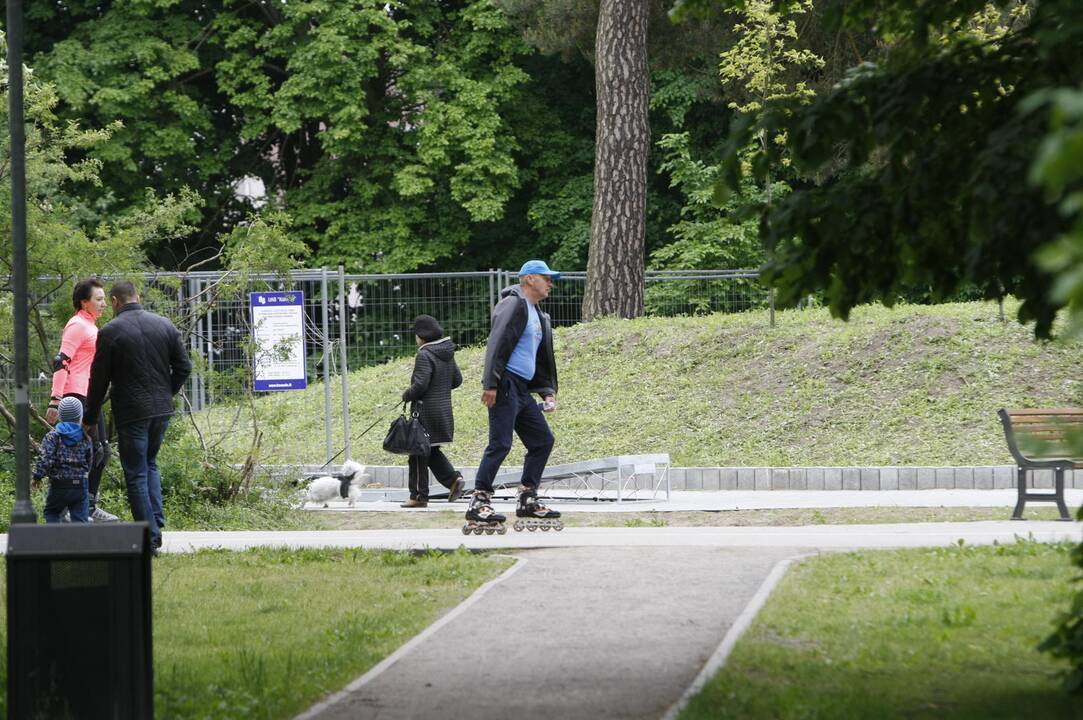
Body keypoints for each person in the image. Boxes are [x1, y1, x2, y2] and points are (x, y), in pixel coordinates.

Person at [85, 281, 192, 553]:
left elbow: (99, 380)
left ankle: (149, 538)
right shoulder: (164, 325)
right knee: (150, 464)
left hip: (133, 412)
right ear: (138, 297)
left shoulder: (110, 332)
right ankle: (155, 525)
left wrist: (90, 416)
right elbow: (184, 367)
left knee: (136, 473)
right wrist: (167, 392)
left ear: (116, 301)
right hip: (162, 410)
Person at [465, 260, 563, 532]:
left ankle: (527, 497)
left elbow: (541, 358)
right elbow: (497, 343)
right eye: (546, 278)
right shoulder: (514, 304)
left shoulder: (539, 314)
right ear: (530, 279)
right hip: (505, 384)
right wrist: (491, 383)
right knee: (500, 443)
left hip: (521, 388)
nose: (550, 283)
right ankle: (479, 500)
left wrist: (546, 392)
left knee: (542, 440)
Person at [45, 277, 119, 522]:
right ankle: (70, 508)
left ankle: (87, 506)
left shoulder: (91, 325)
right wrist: (55, 400)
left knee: (101, 451)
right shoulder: (77, 324)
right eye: (98, 299)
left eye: (104, 299)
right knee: (83, 452)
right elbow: (61, 361)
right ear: (84, 302)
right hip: (76, 396)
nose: (104, 303)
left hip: (90, 395)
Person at [399, 315, 467, 508]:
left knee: (418, 453)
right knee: (431, 449)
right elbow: (457, 380)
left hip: (425, 411)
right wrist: (440, 389)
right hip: (443, 410)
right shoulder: (446, 352)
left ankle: (418, 496)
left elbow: (420, 385)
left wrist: (407, 395)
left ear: (421, 335)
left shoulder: (424, 354)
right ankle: (453, 480)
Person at [33, 397, 93, 523]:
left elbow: (46, 459)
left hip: (58, 484)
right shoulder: (85, 437)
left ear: (59, 415)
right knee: (80, 518)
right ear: (80, 416)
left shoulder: (52, 436)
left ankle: (55, 540)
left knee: (52, 512)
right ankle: (80, 542)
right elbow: (89, 460)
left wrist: (37, 477)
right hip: (80, 485)